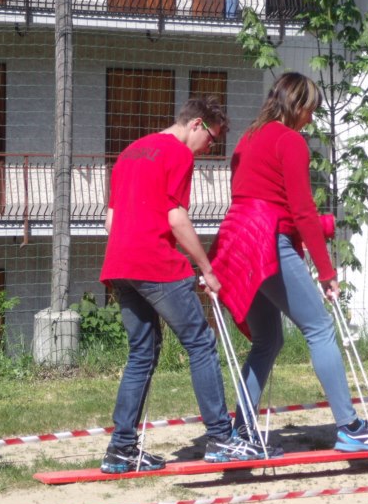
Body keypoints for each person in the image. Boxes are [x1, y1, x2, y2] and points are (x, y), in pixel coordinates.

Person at [208, 72, 368, 457]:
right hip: (264, 241)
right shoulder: (290, 141)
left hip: (236, 239)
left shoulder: (248, 137)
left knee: (268, 340)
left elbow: (261, 199)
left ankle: (240, 431)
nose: (312, 118)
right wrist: (327, 271)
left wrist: (307, 229)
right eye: (311, 110)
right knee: (320, 328)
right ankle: (349, 427)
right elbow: (301, 209)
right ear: (298, 105)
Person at [99, 96, 265, 473]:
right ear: (196, 125)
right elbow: (175, 217)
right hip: (154, 263)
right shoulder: (177, 154)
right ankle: (222, 438)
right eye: (212, 139)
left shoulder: (130, 152)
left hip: (119, 264)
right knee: (201, 344)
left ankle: (121, 449)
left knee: (141, 353)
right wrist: (206, 268)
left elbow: (110, 221)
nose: (210, 148)